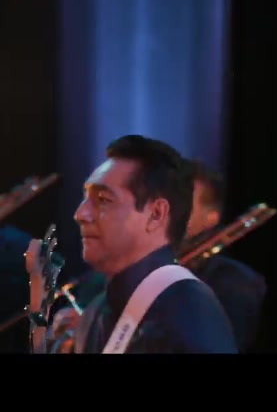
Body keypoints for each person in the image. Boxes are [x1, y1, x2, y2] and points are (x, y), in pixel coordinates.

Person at [27, 134, 238, 353]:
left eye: (103, 200)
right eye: (85, 198)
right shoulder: (95, 313)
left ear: (156, 214)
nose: (80, 214)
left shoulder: (189, 310)